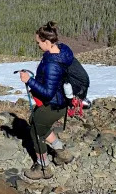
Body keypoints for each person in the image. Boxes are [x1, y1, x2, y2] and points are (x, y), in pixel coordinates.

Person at [19, 21, 75, 180]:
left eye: (39, 42)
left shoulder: (52, 65)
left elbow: (49, 92)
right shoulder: (62, 51)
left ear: (48, 42)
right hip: (62, 102)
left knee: (36, 131)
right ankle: (62, 154)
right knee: (38, 123)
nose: (37, 45)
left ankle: (43, 168)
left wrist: (29, 81)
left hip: (53, 104)